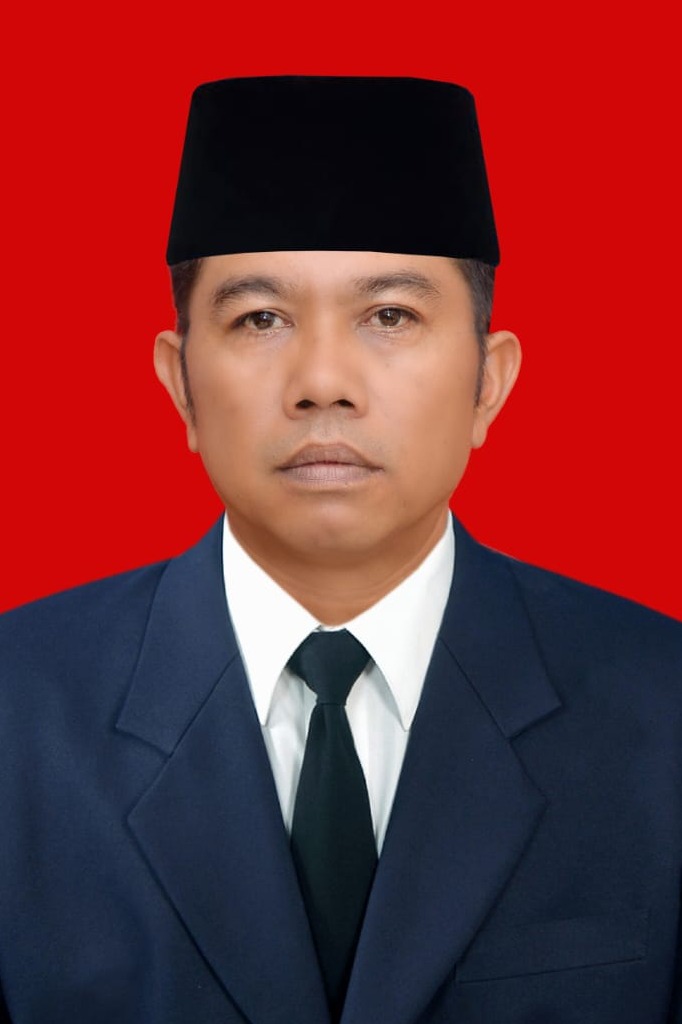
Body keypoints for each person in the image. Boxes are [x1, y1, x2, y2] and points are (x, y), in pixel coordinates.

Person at [1, 75, 681, 1024]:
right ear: (180, 384)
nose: (323, 382)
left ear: (488, 383)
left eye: (390, 316)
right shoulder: (18, 708)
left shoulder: (663, 707)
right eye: (261, 319)